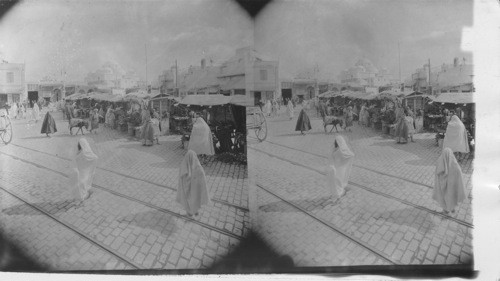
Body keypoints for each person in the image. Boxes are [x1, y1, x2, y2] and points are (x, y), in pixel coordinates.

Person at [176, 150, 211, 217]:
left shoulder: (184, 165)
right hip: (196, 188)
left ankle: (190, 212)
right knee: (196, 197)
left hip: (188, 189)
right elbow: (202, 176)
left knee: (189, 198)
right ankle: (195, 211)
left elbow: (182, 176)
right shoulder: (198, 166)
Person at [432, 148, 466, 214]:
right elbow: (459, 174)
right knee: (452, 195)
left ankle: (445, 209)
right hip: (452, 185)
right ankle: (452, 208)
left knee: (444, 196)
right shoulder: (454, 164)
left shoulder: (440, 161)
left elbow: (438, 173)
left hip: (442, 185)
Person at [326, 136, 354, 202]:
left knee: (335, 183)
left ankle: (338, 194)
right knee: (339, 182)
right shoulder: (343, 151)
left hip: (335, 169)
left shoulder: (334, 150)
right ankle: (339, 193)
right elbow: (351, 155)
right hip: (341, 169)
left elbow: (331, 159)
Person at [70, 138, 98, 204]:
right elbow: (95, 158)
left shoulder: (78, 153)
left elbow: (75, 162)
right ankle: (83, 197)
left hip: (79, 173)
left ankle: (81, 197)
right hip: (85, 173)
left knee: (80, 186)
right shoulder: (87, 153)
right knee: (84, 185)